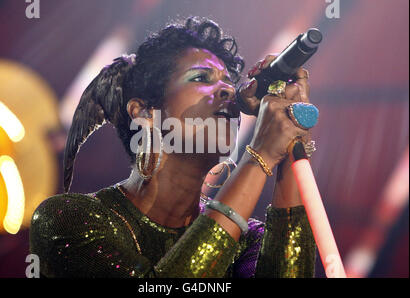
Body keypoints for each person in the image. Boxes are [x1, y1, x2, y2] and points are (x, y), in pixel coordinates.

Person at [30, 16, 316, 278]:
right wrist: (260, 155)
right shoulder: (67, 219)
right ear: (143, 112)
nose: (229, 90)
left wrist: (290, 136)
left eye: (229, 82)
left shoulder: (248, 240)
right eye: (201, 78)